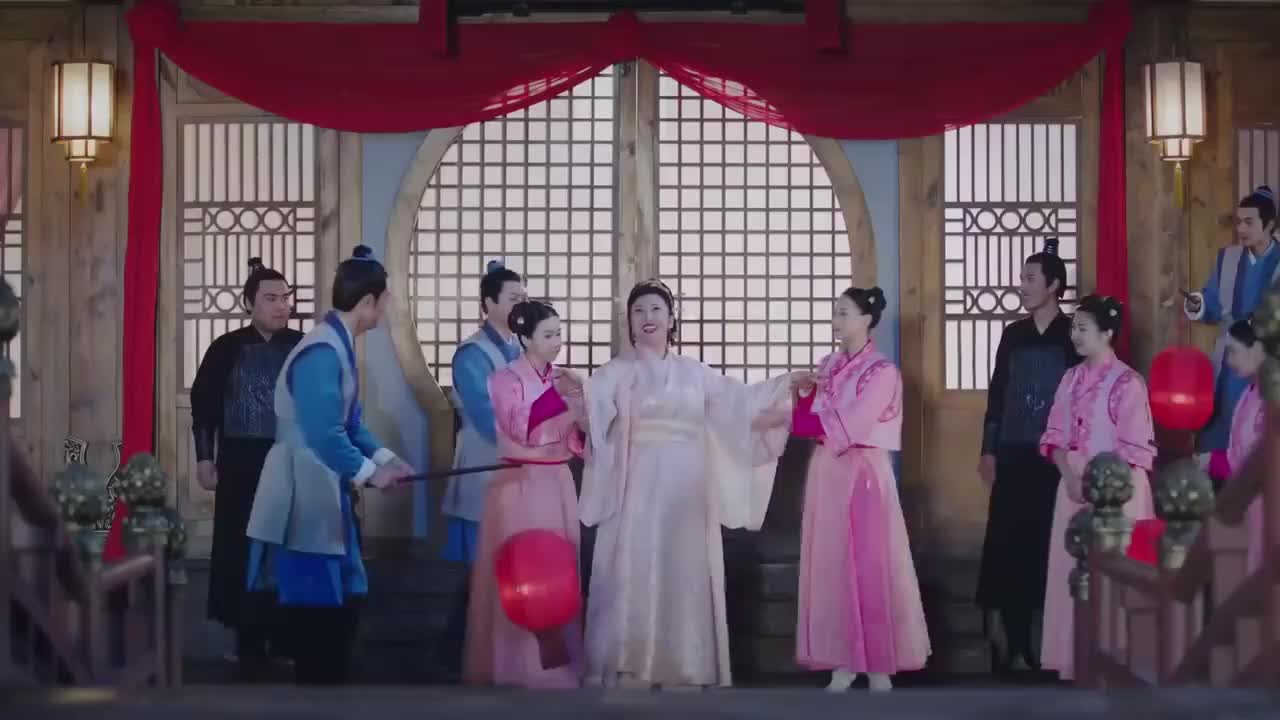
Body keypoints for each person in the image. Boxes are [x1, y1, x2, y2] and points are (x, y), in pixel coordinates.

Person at [579, 279, 800, 689]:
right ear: (629, 321)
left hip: (687, 482)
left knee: (684, 567)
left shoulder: (695, 372)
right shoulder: (615, 372)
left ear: (671, 318)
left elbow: (740, 405)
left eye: (656, 309)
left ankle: (686, 663)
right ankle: (627, 663)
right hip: (635, 480)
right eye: (638, 311)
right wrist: (578, 395)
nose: (647, 317)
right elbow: (592, 411)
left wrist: (786, 391)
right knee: (633, 562)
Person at [244, 245, 414, 685]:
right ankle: (316, 684)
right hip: (303, 477)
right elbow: (324, 433)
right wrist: (370, 474)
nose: (386, 309)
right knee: (313, 583)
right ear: (368, 302)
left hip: (322, 475)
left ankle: (328, 677)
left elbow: (351, 424)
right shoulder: (321, 349)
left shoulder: (338, 343)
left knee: (334, 581)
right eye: (385, 299)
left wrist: (388, 460)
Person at [789, 287, 930, 692]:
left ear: (867, 319)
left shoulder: (882, 372)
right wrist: (802, 394)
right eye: (835, 312)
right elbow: (805, 422)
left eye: (845, 313)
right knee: (832, 564)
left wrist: (811, 417)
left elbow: (853, 422)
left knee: (869, 564)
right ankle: (842, 661)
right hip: (827, 469)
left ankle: (878, 663)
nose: (837, 320)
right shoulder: (828, 366)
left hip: (863, 468)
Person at [464, 300, 586, 688]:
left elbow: (578, 437)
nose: (557, 342)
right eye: (548, 335)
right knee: (523, 569)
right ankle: (515, 667)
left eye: (559, 334)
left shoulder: (563, 378)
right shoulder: (504, 379)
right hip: (520, 482)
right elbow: (521, 427)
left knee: (559, 569)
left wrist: (583, 408)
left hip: (557, 480)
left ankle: (562, 668)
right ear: (524, 339)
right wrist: (557, 396)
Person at [189, 258, 304, 673]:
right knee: (244, 547)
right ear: (248, 303)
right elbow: (204, 406)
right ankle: (248, 644)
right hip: (240, 461)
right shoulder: (226, 348)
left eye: (285, 297)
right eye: (270, 298)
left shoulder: (302, 346)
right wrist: (205, 458)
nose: (281, 305)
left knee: (288, 546)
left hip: (291, 459)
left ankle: (288, 640)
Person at [974, 238, 1080, 673]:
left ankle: (1049, 645)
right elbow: (998, 394)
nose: (1023, 285)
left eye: (1031, 278)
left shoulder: (1073, 334)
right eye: (1022, 278)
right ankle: (1011, 642)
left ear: (1053, 285)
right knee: (1009, 543)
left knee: (1047, 544)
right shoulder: (1013, 335)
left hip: (1055, 458)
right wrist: (988, 449)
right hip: (1013, 452)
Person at [1038, 294, 1156, 681]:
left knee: (1114, 576)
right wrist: (1071, 477)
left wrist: (1096, 483)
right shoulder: (1070, 378)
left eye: (1083, 328)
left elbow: (1134, 449)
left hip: (1117, 492)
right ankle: (1078, 661)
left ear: (1107, 333)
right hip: (1073, 486)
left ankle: (1119, 663)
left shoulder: (1128, 382)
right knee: (1073, 573)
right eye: (1074, 327)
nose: (1075, 334)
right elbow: (1054, 436)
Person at [439, 259, 527, 676]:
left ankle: (503, 656)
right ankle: (462, 656)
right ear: (488, 303)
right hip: (483, 464)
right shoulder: (472, 353)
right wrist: (536, 434)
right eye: (512, 298)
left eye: (523, 298)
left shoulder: (521, 348)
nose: (520, 305)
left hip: (519, 466)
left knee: (511, 569)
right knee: (480, 572)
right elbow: (485, 416)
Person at [1183, 186, 1278, 454]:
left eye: (1249, 222)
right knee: (1223, 419)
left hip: (1269, 357)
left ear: (1270, 224)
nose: (1241, 229)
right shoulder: (1228, 258)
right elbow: (1212, 301)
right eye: (1238, 222)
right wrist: (1199, 304)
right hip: (1231, 356)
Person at [1201, 317, 1269, 573]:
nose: (1228, 361)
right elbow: (1238, 455)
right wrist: (1213, 461)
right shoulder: (1249, 394)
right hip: (1248, 504)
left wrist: (1214, 462)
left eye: (1233, 351)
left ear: (1258, 348)